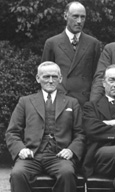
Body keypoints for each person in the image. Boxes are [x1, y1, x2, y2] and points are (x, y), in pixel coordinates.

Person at [5, 61, 85, 192]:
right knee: (17, 174)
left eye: (54, 77)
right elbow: (12, 132)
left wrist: (71, 150)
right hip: (32, 155)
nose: (50, 80)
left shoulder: (72, 102)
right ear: (38, 78)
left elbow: (80, 133)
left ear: (60, 79)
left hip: (59, 156)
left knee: (67, 173)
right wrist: (21, 149)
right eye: (46, 77)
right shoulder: (25, 102)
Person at [41, 1, 101, 106]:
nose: (79, 21)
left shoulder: (93, 43)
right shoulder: (52, 43)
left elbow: (97, 76)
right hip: (59, 101)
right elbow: (44, 75)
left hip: (84, 102)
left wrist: (93, 101)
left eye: (83, 17)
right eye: (75, 16)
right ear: (65, 16)